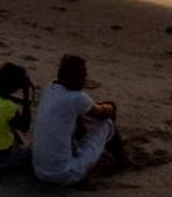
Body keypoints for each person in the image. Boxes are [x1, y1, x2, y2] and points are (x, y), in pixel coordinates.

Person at [30, 54, 127, 187]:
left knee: (85, 122)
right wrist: (111, 106)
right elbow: (102, 113)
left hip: (39, 170)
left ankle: (96, 153)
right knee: (107, 124)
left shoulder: (50, 88)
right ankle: (122, 160)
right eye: (80, 76)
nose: (82, 80)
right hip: (63, 174)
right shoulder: (77, 98)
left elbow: (77, 113)